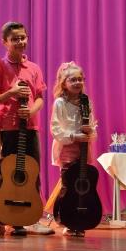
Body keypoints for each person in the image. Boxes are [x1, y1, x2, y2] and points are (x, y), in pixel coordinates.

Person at [0, 21, 54, 236]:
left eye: (23, 38)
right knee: (6, 173)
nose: (20, 42)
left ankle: (32, 218)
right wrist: (11, 92)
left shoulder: (34, 68)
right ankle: (5, 217)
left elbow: (40, 98)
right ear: (6, 42)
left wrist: (32, 111)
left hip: (30, 128)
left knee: (32, 173)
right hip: (7, 128)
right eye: (15, 39)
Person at [51, 61, 97, 237]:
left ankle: (82, 218)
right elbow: (56, 129)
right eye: (73, 80)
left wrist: (89, 132)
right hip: (67, 148)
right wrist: (74, 136)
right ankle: (69, 219)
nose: (78, 83)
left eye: (80, 79)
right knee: (69, 184)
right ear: (64, 83)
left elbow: (92, 125)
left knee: (83, 182)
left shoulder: (86, 101)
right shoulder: (60, 103)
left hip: (84, 149)